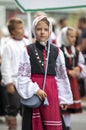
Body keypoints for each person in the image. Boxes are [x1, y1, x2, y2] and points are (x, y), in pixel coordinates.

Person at [16, 15, 73, 130]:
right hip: (35, 93)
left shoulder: (57, 51)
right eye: (39, 29)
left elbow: (61, 77)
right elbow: (22, 76)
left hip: (51, 92)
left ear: (50, 31)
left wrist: (63, 98)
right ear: (34, 31)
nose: (42, 32)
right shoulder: (27, 50)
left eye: (45, 29)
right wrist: (35, 90)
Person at [1, 17, 29, 130]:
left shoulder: (27, 43)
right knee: (13, 107)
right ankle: (12, 127)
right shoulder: (9, 45)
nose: (22, 30)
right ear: (12, 31)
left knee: (26, 109)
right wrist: (8, 83)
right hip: (14, 81)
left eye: (22, 28)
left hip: (26, 81)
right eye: (19, 28)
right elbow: (5, 65)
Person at [60, 26, 86, 130]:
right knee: (63, 103)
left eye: (75, 37)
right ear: (65, 37)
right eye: (71, 36)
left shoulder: (75, 51)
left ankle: (67, 125)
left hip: (72, 82)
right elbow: (56, 66)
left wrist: (78, 69)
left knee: (69, 106)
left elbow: (81, 63)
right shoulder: (59, 50)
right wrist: (67, 71)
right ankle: (61, 124)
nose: (74, 39)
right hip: (63, 81)